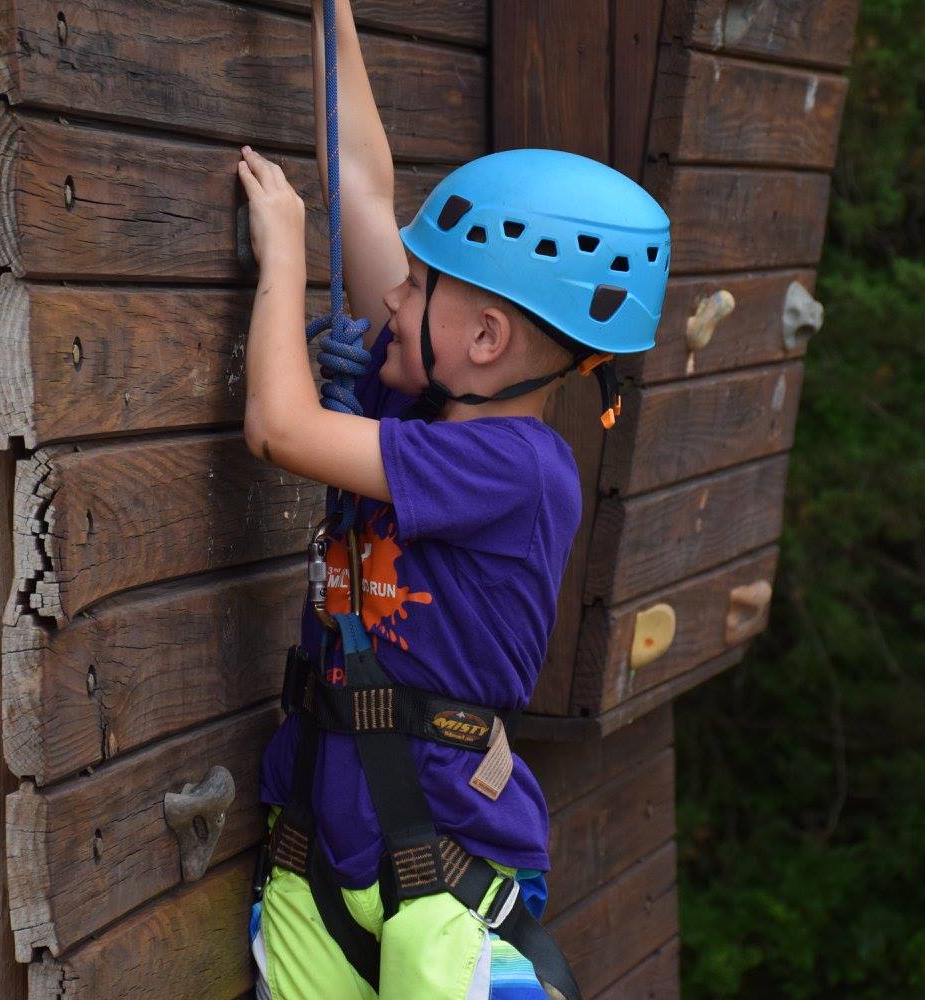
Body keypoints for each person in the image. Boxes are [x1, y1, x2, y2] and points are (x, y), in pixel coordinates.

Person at [235, 3, 670, 997]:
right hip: (317, 849)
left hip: (440, 875)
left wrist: (282, 257)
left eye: (417, 284)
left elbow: (281, 430)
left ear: (483, 339)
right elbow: (362, 186)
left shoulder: (518, 466)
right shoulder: (434, 390)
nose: (390, 295)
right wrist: (334, 17)